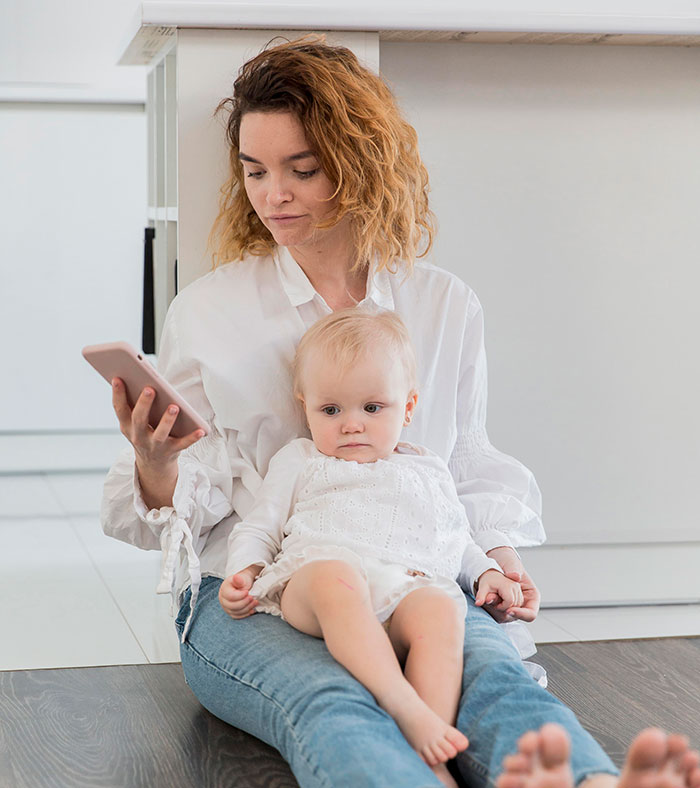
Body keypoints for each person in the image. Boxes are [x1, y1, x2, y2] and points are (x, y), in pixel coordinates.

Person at [102, 34, 698, 788]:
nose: (271, 194)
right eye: (254, 171)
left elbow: (461, 466)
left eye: (301, 169)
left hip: (413, 574)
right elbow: (184, 508)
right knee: (334, 699)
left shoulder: (443, 304)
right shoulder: (212, 312)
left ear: (359, 164)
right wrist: (156, 467)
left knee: (496, 683)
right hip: (251, 595)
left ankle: (587, 781)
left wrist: (501, 568)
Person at [220, 308, 525, 785]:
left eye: (372, 408)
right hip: (319, 585)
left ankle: (433, 759)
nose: (351, 425)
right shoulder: (300, 459)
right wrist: (245, 570)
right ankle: (404, 706)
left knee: (442, 610)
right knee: (332, 574)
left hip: (403, 587)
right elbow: (260, 527)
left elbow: (454, 535)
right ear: (306, 407)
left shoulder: (426, 468)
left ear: (408, 407)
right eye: (331, 410)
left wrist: (488, 573)